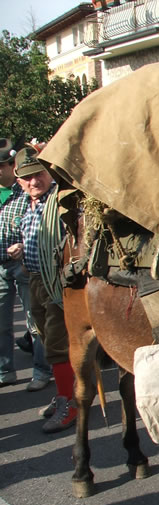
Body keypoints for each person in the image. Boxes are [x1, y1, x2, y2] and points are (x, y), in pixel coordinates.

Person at [9, 146, 77, 433]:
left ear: (48, 172)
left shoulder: (60, 201)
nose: (33, 182)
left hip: (58, 283)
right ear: (18, 179)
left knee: (58, 344)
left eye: (38, 175)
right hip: (35, 278)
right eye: (27, 177)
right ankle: (65, 393)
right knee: (46, 339)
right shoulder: (26, 204)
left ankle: (70, 402)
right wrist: (23, 251)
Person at [0, 139, 51, 390]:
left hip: (28, 268)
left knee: (37, 323)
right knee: (3, 323)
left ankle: (42, 371)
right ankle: (4, 370)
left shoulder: (34, 194)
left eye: (2, 165)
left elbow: (34, 229)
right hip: (8, 268)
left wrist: (21, 245)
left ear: (11, 167)